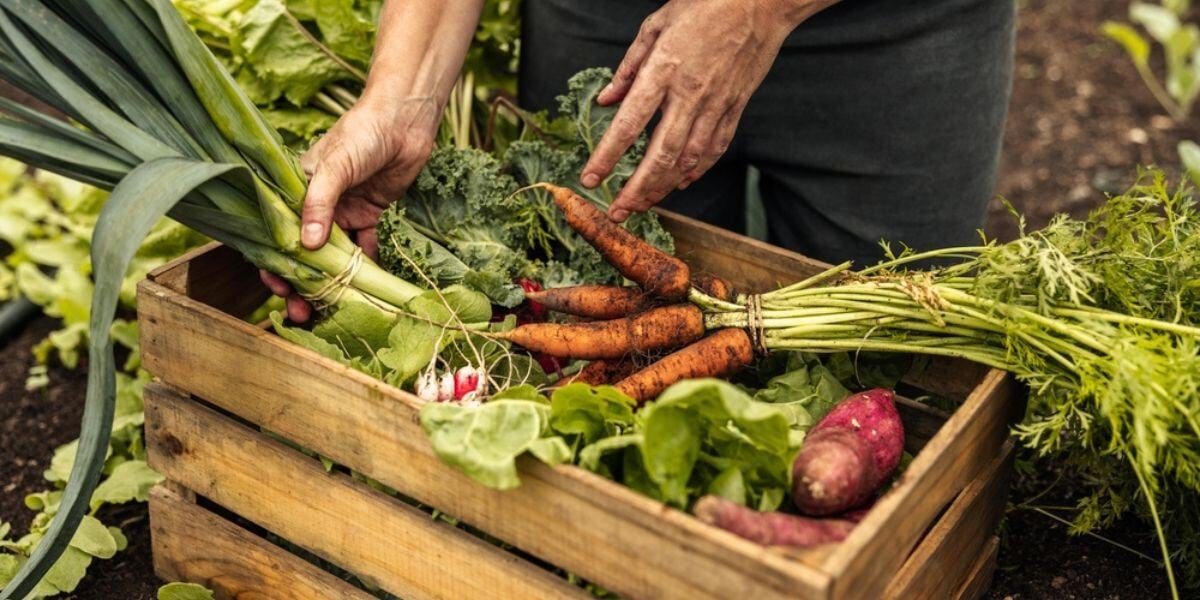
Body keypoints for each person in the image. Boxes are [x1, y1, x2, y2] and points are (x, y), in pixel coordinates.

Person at [261, 0, 1016, 322]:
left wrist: (753, 10)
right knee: (605, 330)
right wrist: (406, 96)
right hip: (613, 29)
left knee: (890, 368)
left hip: (896, 32)